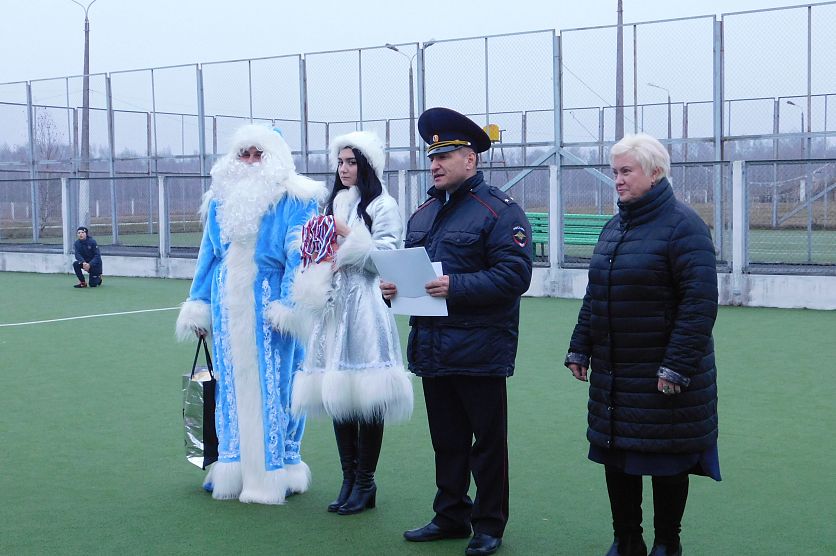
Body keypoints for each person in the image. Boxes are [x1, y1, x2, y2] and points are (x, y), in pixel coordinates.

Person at [381, 107, 533, 556]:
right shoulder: (424, 213)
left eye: (445, 155)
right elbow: (414, 273)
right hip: (433, 347)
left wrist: (456, 286)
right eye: (432, 156)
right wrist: (392, 289)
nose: (435, 164)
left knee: (487, 444)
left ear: (471, 158)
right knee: (446, 442)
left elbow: (515, 275)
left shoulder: (499, 211)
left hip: (481, 348)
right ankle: (450, 514)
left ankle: (488, 525)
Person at [564, 133, 720, 556]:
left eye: (626, 171)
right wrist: (580, 346)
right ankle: (627, 540)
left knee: (667, 459)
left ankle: (668, 543)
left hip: (660, 373)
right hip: (616, 372)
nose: (617, 180)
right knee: (617, 456)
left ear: (655, 173)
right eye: (614, 172)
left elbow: (699, 304)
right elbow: (596, 294)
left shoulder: (684, 226)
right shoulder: (614, 227)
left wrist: (676, 367)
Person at [175, 124, 326, 505]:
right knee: (230, 387)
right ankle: (233, 466)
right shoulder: (219, 200)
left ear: (275, 158)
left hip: (270, 303)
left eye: (260, 154)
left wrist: (289, 305)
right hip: (228, 305)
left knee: (278, 385)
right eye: (245, 154)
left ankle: (278, 469)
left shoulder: (297, 197)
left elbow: (299, 254)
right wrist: (199, 305)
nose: (251, 161)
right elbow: (208, 256)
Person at [290, 130, 413, 516]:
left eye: (351, 162)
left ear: (367, 165)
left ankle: (365, 481)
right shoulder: (334, 202)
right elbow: (320, 253)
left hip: (366, 309)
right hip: (334, 310)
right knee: (338, 391)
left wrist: (347, 234)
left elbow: (387, 257)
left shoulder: (384, 205)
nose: (343, 169)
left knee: (367, 394)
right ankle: (349, 478)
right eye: (340, 162)